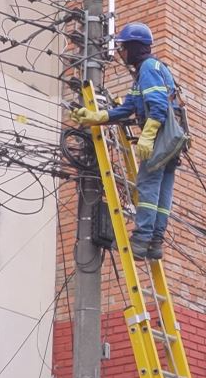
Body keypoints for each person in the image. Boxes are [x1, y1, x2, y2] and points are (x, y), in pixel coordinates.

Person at [71, 22, 180, 260]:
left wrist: (148, 136)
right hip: (172, 138)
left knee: (148, 185)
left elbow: (159, 107)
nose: (121, 53)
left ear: (134, 47)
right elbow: (128, 108)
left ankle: (142, 239)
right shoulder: (148, 72)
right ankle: (155, 243)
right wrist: (95, 117)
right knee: (162, 192)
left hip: (161, 135)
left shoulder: (149, 68)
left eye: (123, 48)